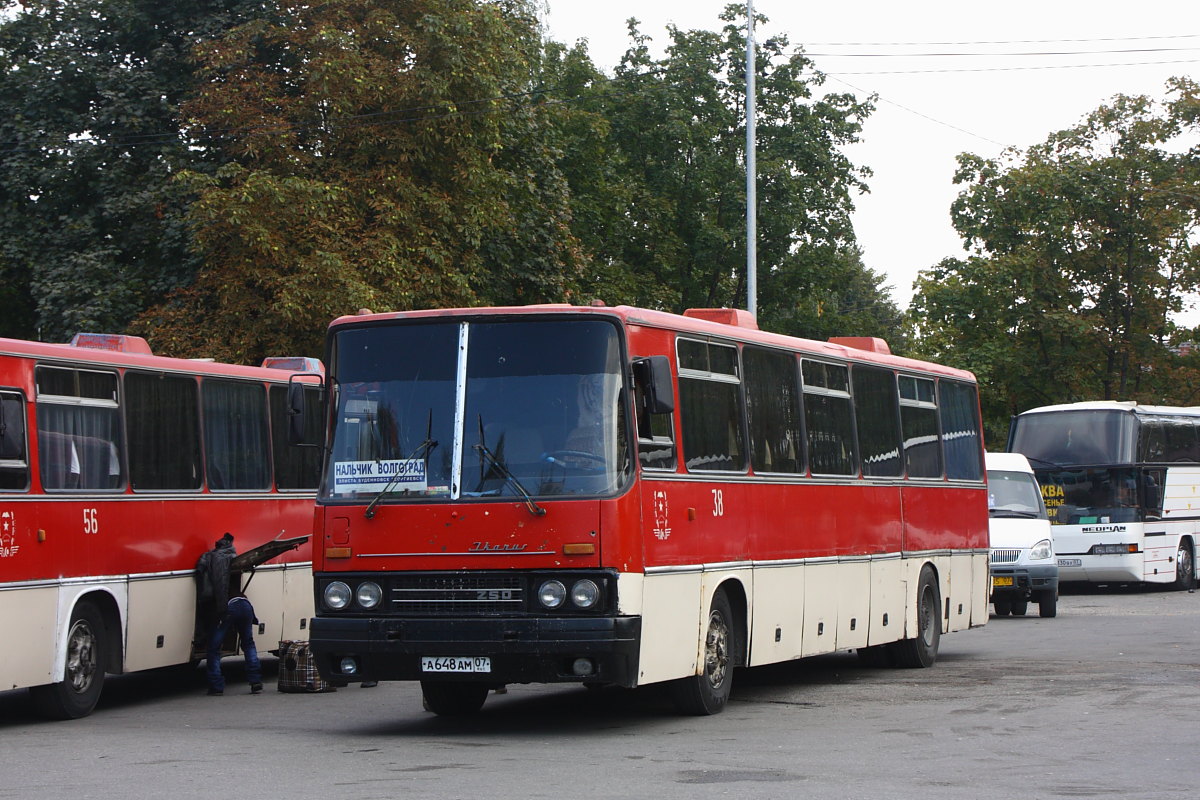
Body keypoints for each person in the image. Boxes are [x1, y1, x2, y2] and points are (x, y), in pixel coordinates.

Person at [195, 533, 263, 696]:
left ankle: (216, 685)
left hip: (228, 606)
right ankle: (255, 681)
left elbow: (207, 579)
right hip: (245, 604)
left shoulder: (212, 559)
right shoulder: (236, 560)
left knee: (214, 648)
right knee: (248, 644)